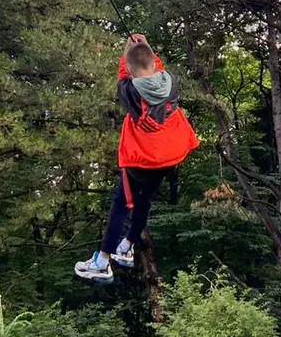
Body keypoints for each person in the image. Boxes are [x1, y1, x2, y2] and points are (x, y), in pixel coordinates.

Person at [75, 34, 199, 283]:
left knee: (121, 204)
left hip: (142, 161)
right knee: (145, 201)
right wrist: (146, 46)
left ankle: (102, 261)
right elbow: (154, 64)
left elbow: (125, 73)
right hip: (168, 158)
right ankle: (127, 245)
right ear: (154, 65)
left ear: (131, 70)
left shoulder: (130, 91)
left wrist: (126, 50)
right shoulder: (170, 83)